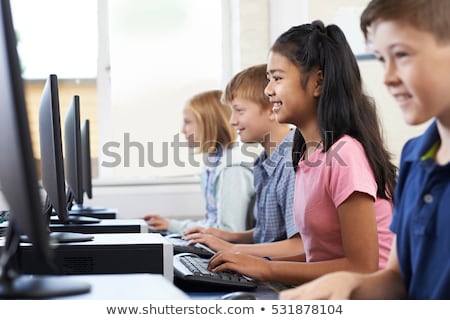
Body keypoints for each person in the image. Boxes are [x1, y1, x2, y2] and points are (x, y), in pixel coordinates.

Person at [280, 0, 450, 300]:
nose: (387, 77)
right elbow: (397, 281)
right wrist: (349, 284)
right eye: (382, 59)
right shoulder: (415, 156)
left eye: (402, 55)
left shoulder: (346, 153)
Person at [206, 20, 397, 287]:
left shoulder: (344, 155)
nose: (268, 90)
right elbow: (315, 253)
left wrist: (265, 268)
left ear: (317, 82)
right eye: (268, 79)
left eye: (277, 78)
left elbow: (362, 267)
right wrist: (245, 258)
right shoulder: (307, 156)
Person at [183, 64, 303, 257]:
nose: (232, 121)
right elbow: (267, 235)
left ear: (272, 109)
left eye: (239, 111)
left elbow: (299, 246)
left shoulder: (292, 161)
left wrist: (232, 249)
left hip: (281, 278)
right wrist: (225, 236)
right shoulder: (262, 161)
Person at [143, 90, 255, 234]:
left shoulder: (232, 168)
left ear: (209, 123)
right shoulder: (214, 164)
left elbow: (230, 231)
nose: (183, 130)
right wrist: (171, 225)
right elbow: (211, 223)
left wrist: (175, 227)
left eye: (188, 122)